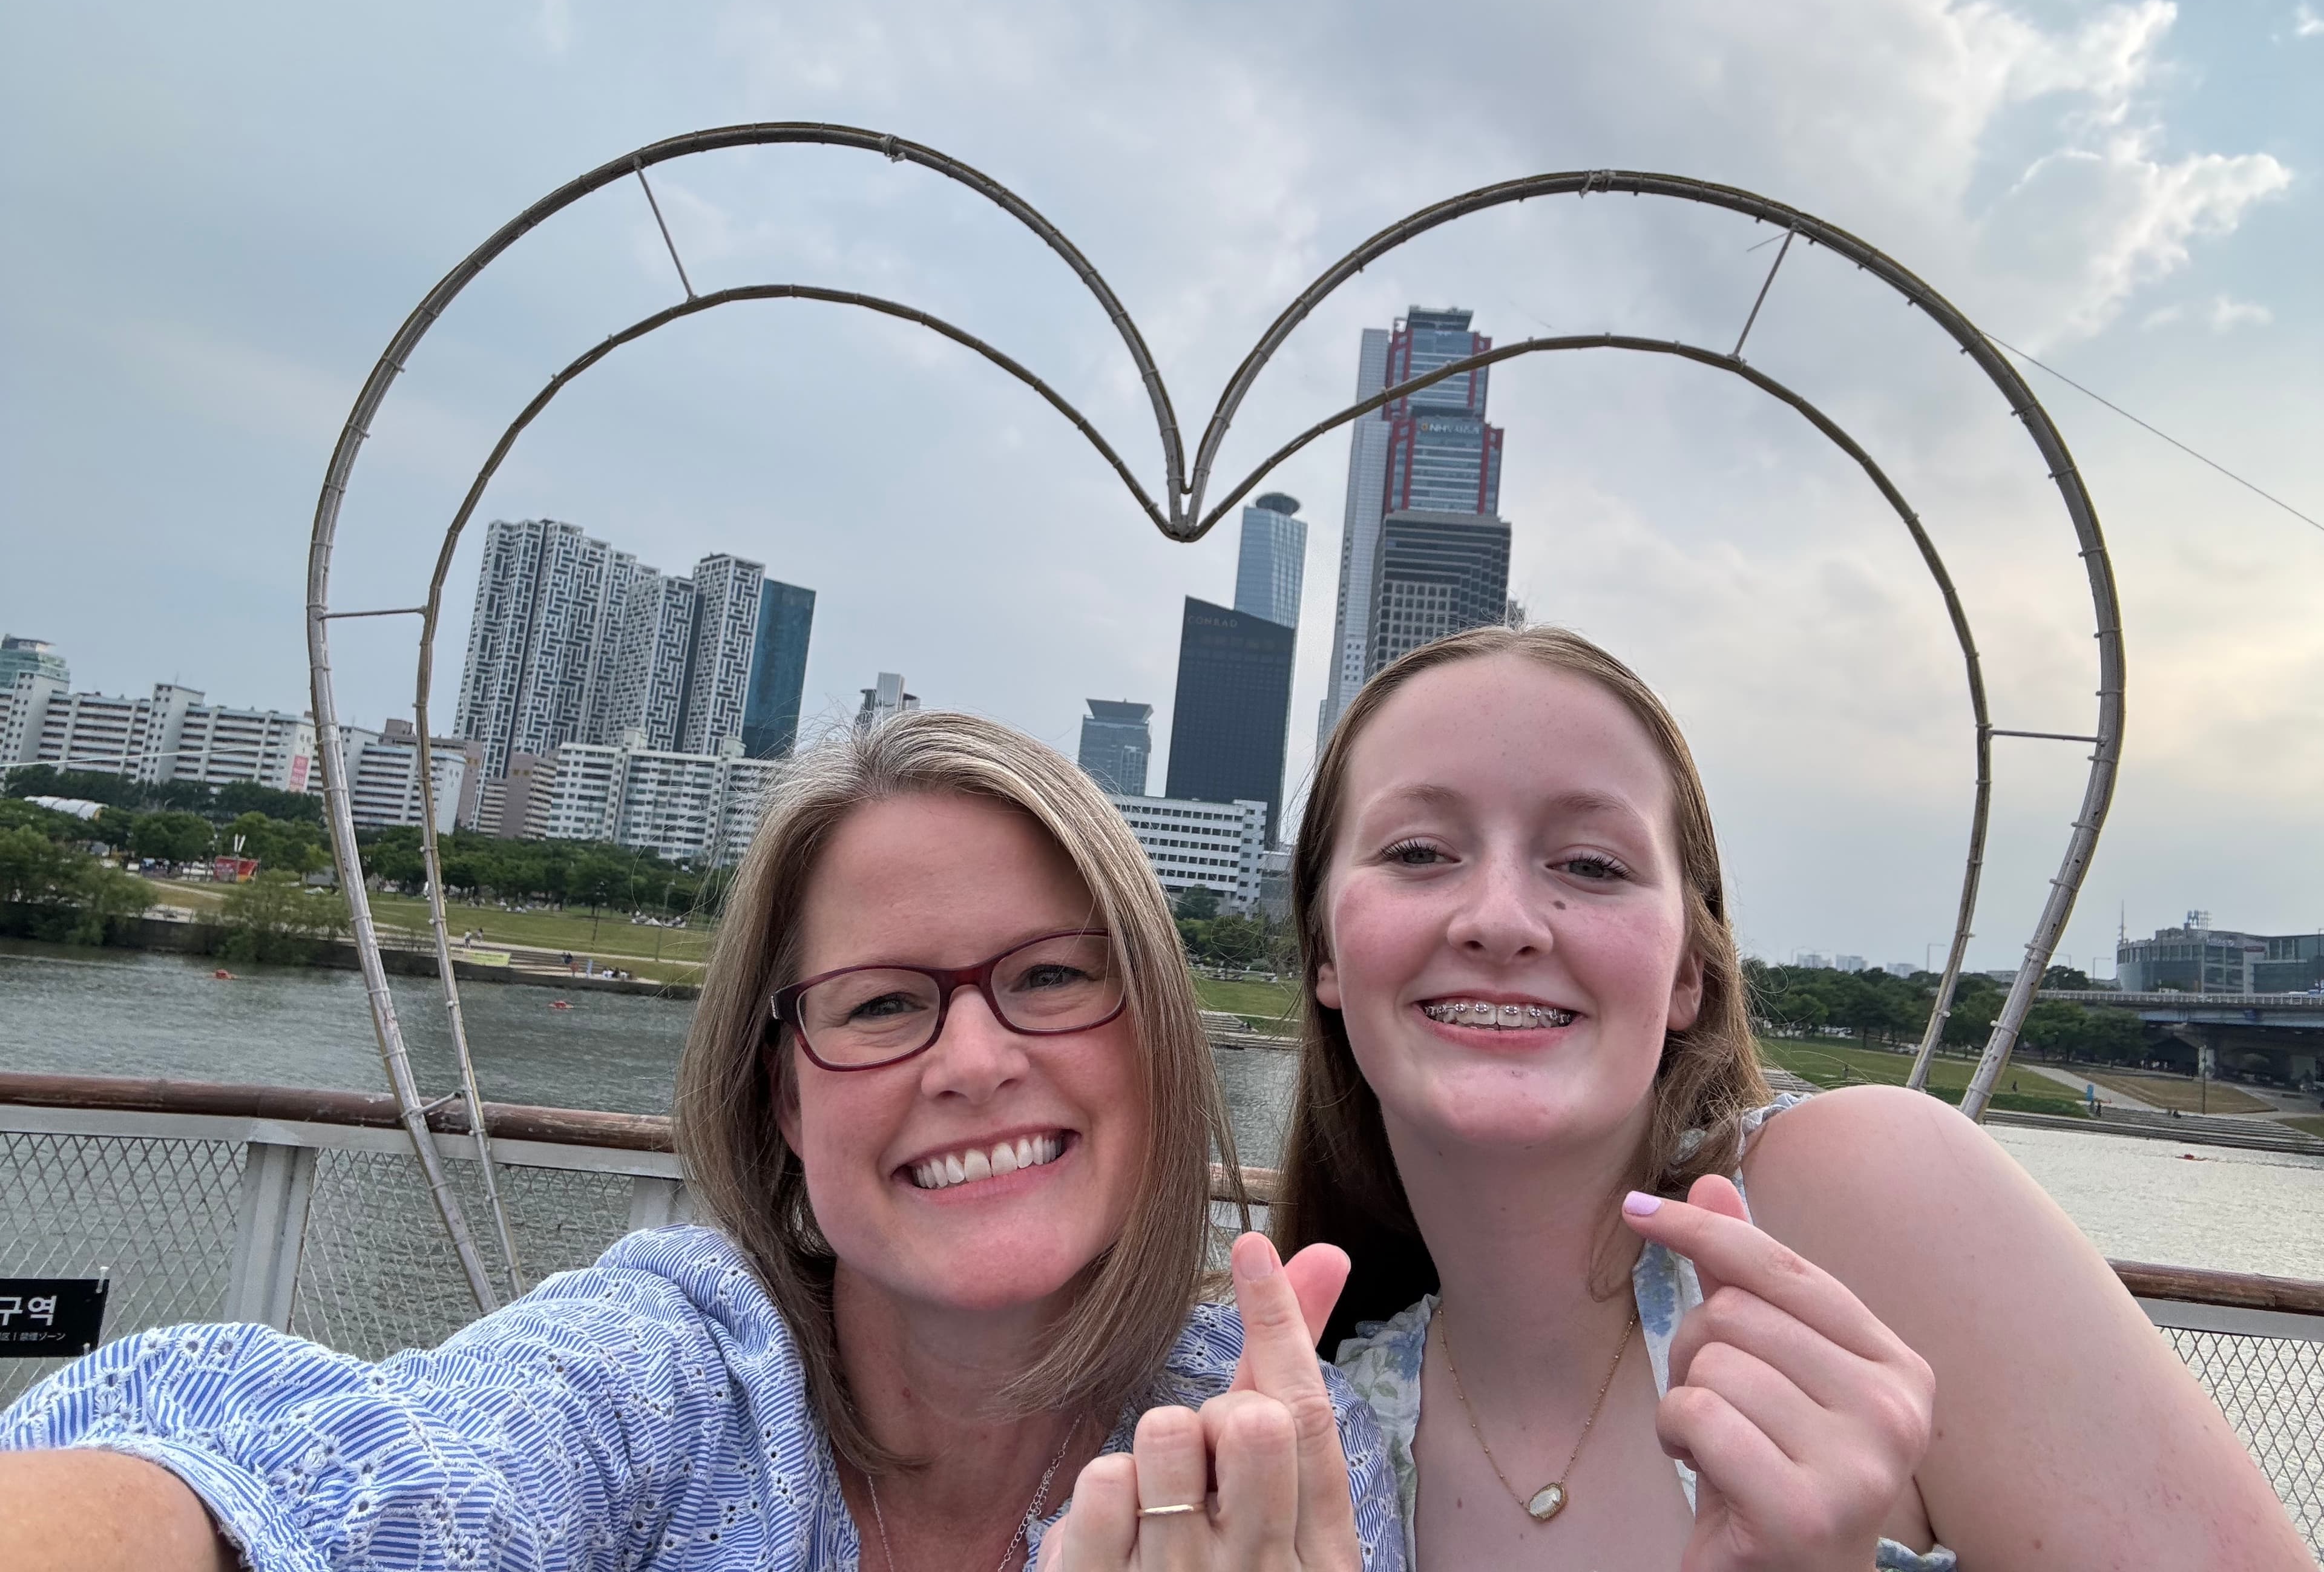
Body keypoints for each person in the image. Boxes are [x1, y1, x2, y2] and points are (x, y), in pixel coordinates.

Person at [0, 712, 1400, 1571]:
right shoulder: (670, 1388)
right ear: (783, 1101)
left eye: (1050, 978)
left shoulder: (1274, 1465)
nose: (975, 1062)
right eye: (881, 1003)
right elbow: (354, 1470)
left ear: (1156, 1038)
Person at [1273, 625, 2309, 1570]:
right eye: (1417, 853)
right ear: (1326, 949)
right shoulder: (1317, 1440)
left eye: (1591, 865)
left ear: (1689, 972)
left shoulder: (1858, 1200)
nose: (1501, 921)